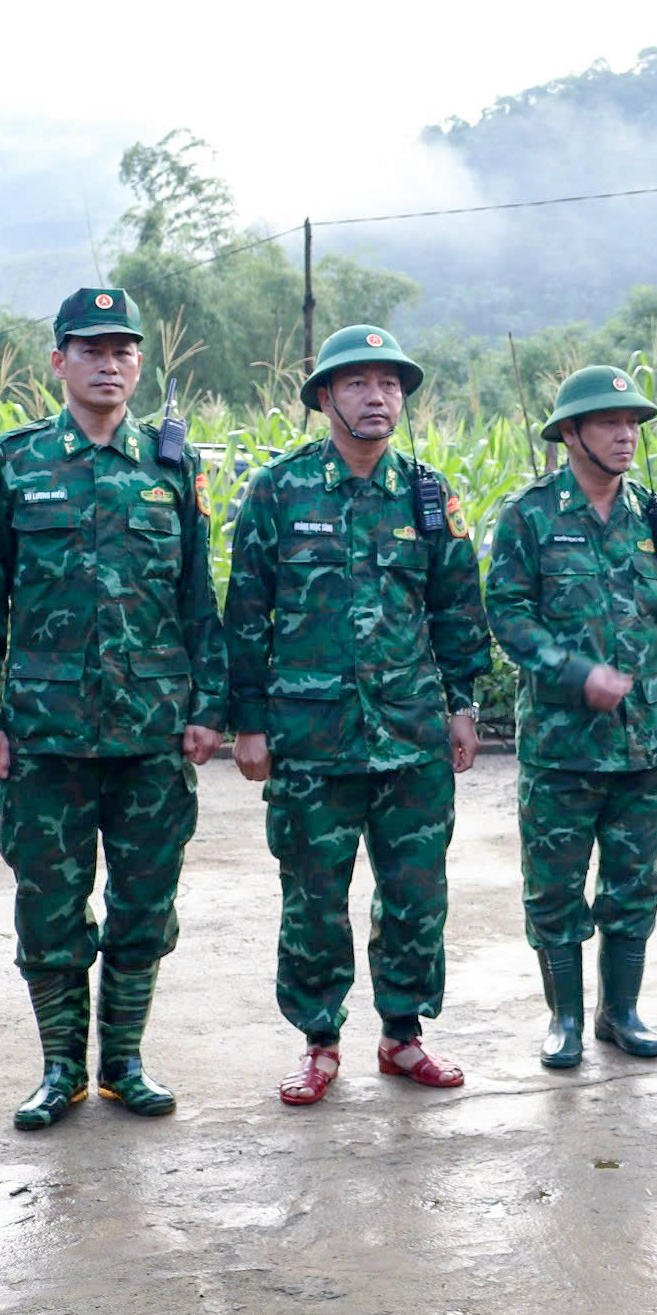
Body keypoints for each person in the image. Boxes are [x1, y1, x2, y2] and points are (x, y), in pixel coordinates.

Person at [0, 287, 224, 1130]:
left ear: (139, 364)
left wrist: (207, 707)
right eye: (91, 349)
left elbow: (197, 599)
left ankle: (123, 1063)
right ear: (59, 360)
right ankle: (60, 1068)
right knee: (49, 907)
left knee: (145, 905)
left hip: (150, 736)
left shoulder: (173, 466)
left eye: (124, 350)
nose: (109, 364)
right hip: (44, 737)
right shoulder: (12, 463)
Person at [226, 324, 489, 1105]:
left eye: (391, 385)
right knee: (313, 895)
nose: (379, 398)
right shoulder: (280, 491)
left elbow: (456, 608)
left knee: (415, 891)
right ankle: (318, 1040)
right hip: (313, 738)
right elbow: (246, 612)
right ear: (325, 398)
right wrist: (248, 719)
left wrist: (464, 702)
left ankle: (403, 1036)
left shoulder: (430, 495)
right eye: (359, 383)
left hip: (411, 737)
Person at [486, 366, 657, 1067]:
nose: (625, 435)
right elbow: (508, 615)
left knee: (633, 883)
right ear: (571, 432)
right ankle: (566, 1019)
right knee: (554, 887)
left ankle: (622, 1012)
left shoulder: (655, 515)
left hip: (644, 743)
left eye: (633, 423)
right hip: (562, 746)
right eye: (610, 422)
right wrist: (576, 673)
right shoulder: (531, 515)